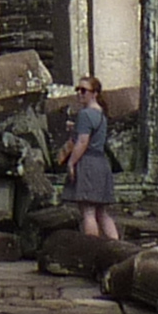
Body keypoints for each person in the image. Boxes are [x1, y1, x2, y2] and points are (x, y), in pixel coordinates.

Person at [59, 75, 122, 241]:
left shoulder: (85, 114)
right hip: (101, 163)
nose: (79, 93)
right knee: (102, 212)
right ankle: (118, 246)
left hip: (88, 164)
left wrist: (71, 163)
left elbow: (82, 142)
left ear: (94, 93)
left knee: (88, 212)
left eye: (84, 90)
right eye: (78, 89)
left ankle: (92, 248)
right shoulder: (101, 113)